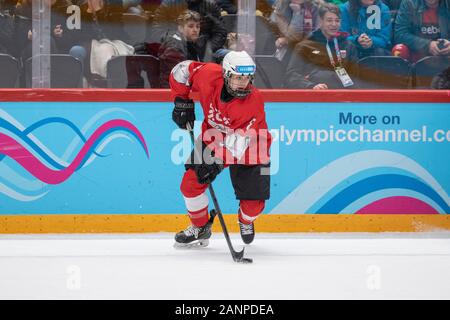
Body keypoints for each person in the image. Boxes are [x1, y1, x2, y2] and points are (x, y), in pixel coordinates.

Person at [169, 50, 272, 246]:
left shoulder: (253, 101)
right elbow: (180, 70)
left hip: (252, 146)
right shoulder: (208, 74)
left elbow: (240, 143)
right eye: (238, 77)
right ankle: (200, 228)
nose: (244, 83)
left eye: (247, 78)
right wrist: (181, 100)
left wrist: (217, 160)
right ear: (225, 74)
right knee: (190, 185)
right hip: (214, 138)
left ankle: (245, 220)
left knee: (253, 207)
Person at [285, 3, 358, 89]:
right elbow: (291, 75)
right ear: (320, 21)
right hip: (314, 97)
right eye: (329, 20)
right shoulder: (305, 46)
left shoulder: (348, 46)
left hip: (342, 97)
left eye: (337, 20)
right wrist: (310, 86)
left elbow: (356, 78)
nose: (334, 24)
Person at [158, 10, 202, 87]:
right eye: (191, 26)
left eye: (197, 26)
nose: (195, 30)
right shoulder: (174, 46)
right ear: (180, 28)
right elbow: (178, 77)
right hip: (170, 93)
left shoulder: (190, 44)